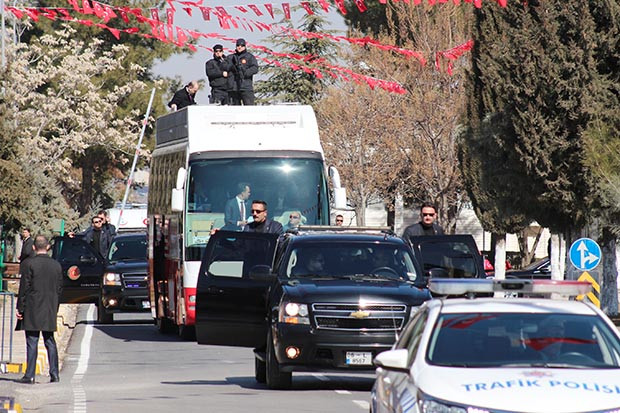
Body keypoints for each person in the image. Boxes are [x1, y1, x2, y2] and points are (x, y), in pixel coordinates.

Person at [16, 235, 63, 384]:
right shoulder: (56, 265)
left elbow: (24, 288)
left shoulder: (30, 265)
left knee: (32, 341)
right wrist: (55, 305)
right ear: (48, 247)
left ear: (34, 248)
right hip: (49, 306)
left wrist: (20, 308)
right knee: (49, 340)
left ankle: (30, 375)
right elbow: (60, 288)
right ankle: (54, 374)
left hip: (32, 307)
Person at [228, 39, 258, 105]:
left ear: (245, 46)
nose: (240, 47)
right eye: (238, 45)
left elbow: (255, 68)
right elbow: (224, 66)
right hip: (234, 88)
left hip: (246, 87)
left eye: (242, 45)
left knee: (249, 109)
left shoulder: (249, 57)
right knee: (235, 110)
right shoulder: (231, 57)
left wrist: (245, 73)